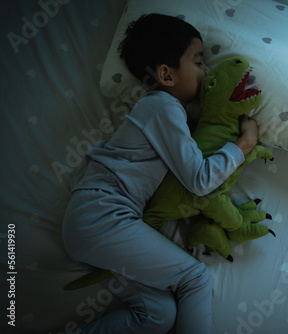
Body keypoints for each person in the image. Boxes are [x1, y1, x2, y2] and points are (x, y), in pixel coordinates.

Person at [62, 14, 259, 333]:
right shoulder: (164, 107)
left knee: (157, 316)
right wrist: (245, 143)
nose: (206, 70)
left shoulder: (163, 111)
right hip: (102, 218)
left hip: (95, 222)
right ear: (166, 74)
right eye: (198, 61)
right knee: (195, 278)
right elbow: (200, 180)